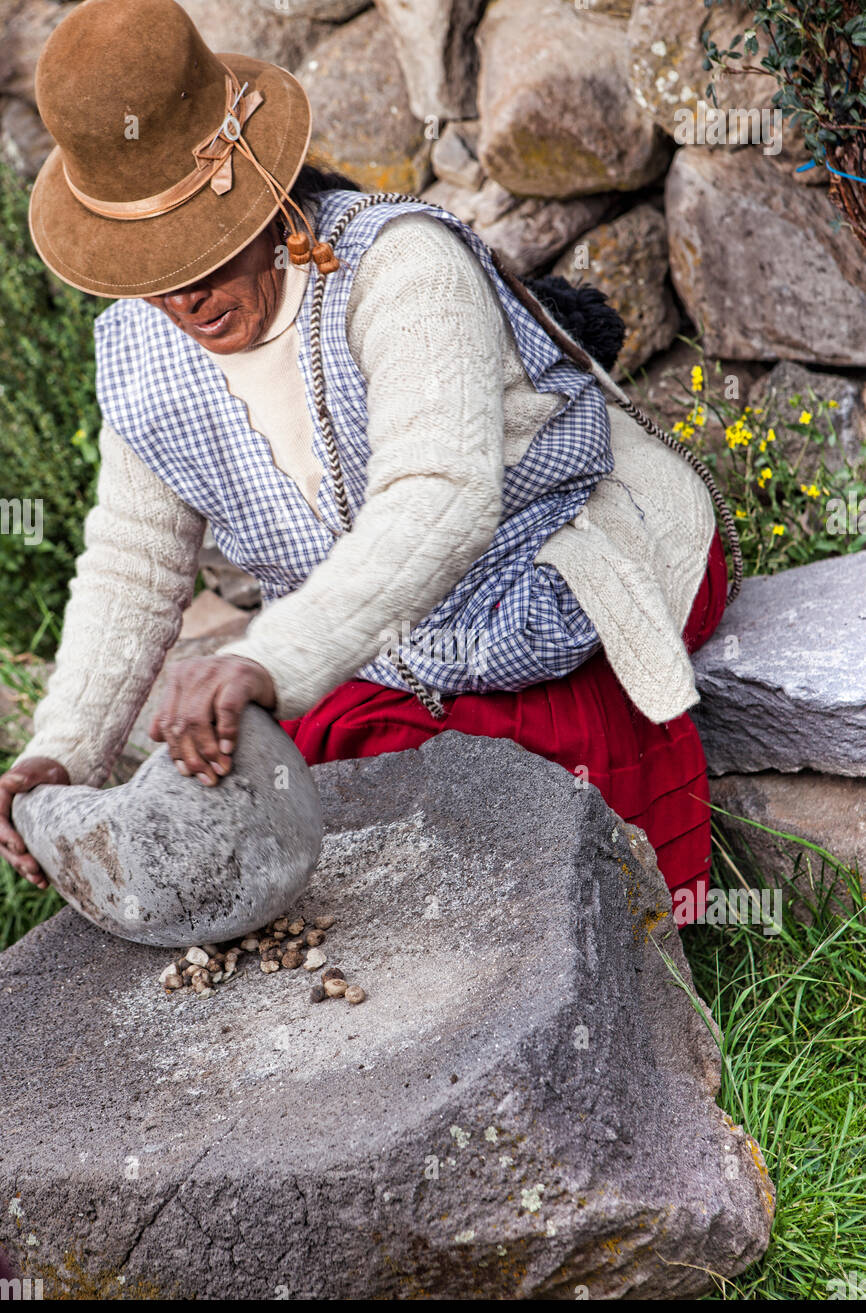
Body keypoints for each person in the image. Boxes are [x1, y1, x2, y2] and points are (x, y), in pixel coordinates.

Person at [0, 0, 729, 921]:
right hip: (387, 622)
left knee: (526, 807)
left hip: (552, 564)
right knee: (303, 798)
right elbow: (133, 562)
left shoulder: (397, 266)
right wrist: (62, 749)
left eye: (205, 249)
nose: (185, 295)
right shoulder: (143, 355)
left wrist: (270, 656)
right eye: (151, 268)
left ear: (264, 188)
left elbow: (443, 494)